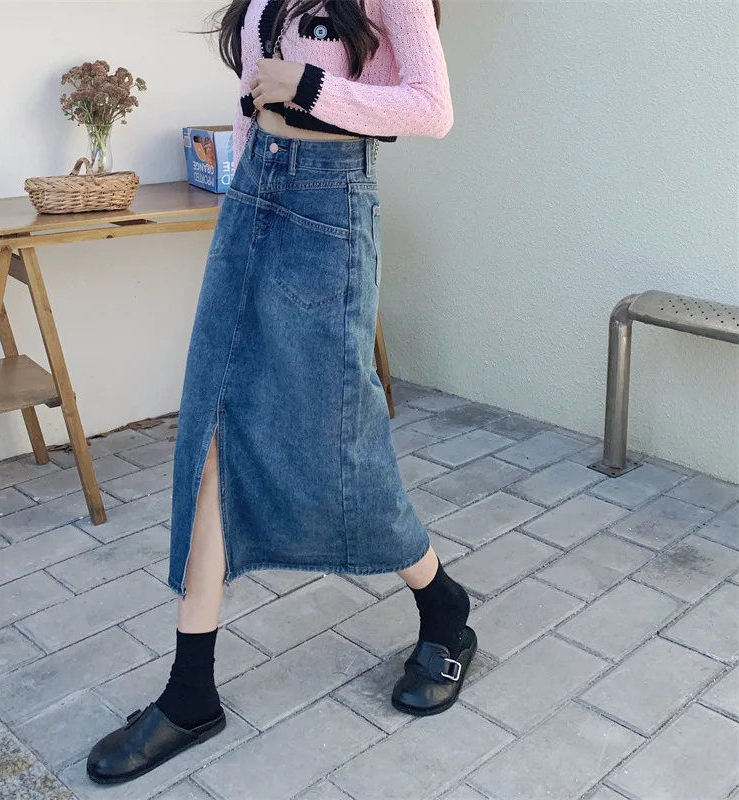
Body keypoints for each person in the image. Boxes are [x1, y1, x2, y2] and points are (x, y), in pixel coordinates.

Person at [87, 0, 476, 785]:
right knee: (211, 428)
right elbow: (249, 103)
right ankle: (190, 692)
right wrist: (243, 194)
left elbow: (431, 109)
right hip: (253, 199)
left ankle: (444, 605)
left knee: (340, 439)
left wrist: (307, 85)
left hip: (330, 210)